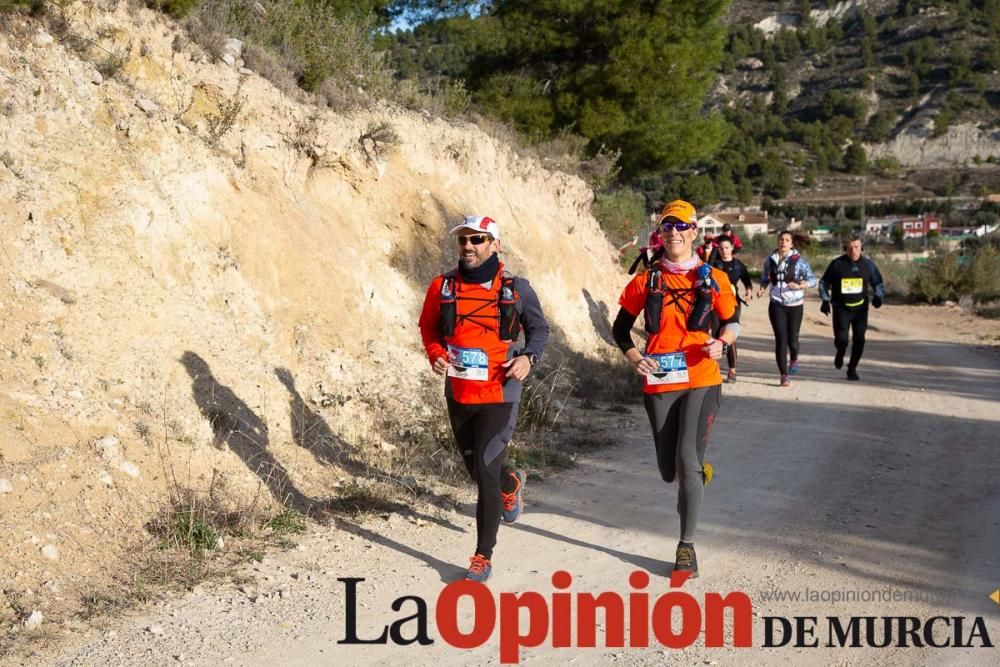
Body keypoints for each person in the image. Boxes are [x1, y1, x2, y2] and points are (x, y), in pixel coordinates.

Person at [418, 215, 550, 583]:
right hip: (459, 391)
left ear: (494, 244)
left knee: (486, 474)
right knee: (476, 470)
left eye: (477, 239)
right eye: (463, 240)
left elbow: (540, 329)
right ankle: (512, 485)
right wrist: (434, 353)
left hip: (500, 391)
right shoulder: (441, 286)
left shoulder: (516, 288)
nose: (469, 246)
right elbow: (428, 327)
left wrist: (528, 358)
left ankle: (482, 556)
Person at [612, 200, 739, 578]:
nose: (674, 233)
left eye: (681, 226)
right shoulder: (644, 281)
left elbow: (732, 322)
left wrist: (723, 342)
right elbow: (620, 330)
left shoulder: (716, 278)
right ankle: (696, 474)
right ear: (660, 232)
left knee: (686, 460)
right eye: (668, 226)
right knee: (670, 470)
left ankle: (686, 548)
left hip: (702, 376)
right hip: (660, 379)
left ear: (694, 232)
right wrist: (636, 358)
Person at [819, 234, 885, 381]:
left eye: (856, 247)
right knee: (842, 340)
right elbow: (824, 283)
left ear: (861, 247)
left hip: (861, 310)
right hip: (841, 309)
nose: (853, 250)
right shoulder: (837, 264)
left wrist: (878, 296)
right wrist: (824, 300)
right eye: (850, 248)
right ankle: (840, 352)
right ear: (845, 249)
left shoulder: (868, 265)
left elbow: (878, 283)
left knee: (859, 339)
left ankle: (852, 368)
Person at [756, 230, 817, 386]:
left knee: (793, 341)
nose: (783, 242)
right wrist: (762, 288)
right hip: (776, 304)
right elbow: (765, 278)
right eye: (781, 239)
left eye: (787, 240)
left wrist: (800, 285)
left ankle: (794, 358)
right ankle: (784, 375)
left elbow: (812, 280)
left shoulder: (799, 261)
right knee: (781, 340)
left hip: (795, 305)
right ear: (777, 242)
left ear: (791, 243)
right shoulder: (770, 260)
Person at [709, 236, 753, 382]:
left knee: (729, 335)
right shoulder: (713, 263)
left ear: (732, 248)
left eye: (726, 247)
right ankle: (714, 369)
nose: (723, 250)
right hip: (715, 303)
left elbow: (747, 280)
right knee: (716, 335)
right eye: (720, 248)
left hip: (733, 303)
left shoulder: (738, 265)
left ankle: (732, 370)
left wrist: (748, 291)